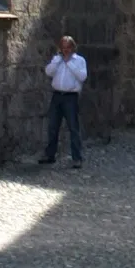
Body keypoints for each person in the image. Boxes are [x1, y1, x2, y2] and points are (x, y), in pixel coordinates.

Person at [40, 35, 87, 168]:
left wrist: (69, 63)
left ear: (73, 48)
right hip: (57, 96)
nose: (65, 50)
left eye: (68, 48)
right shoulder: (57, 59)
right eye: (63, 48)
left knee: (73, 127)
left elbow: (82, 76)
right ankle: (50, 154)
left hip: (70, 97)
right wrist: (57, 61)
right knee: (53, 126)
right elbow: (48, 72)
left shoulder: (79, 61)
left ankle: (77, 158)